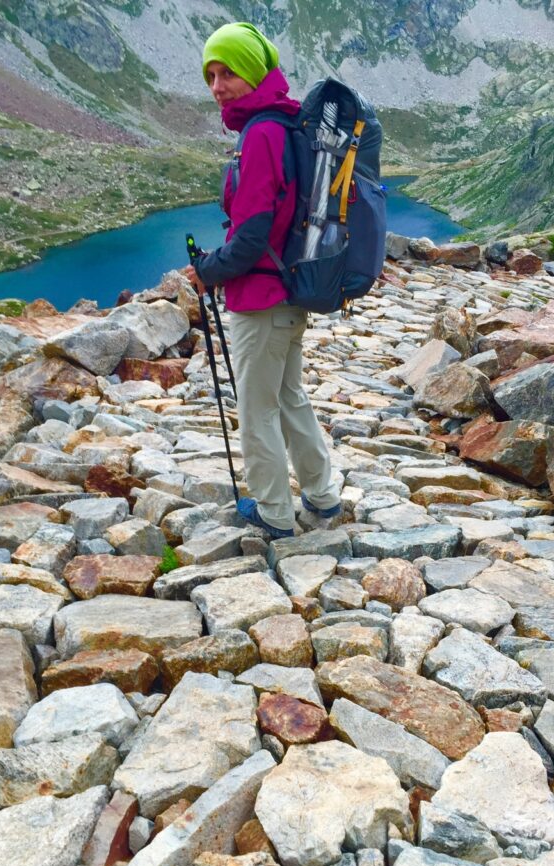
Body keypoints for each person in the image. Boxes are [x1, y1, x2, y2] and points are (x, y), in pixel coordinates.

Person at [183, 22, 340, 539]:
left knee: (257, 409)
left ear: (253, 71)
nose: (217, 86)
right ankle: (322, 496)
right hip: (291, 291)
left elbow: (250, 237)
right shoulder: (287, 124)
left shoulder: (261, 134)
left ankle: (273, 511)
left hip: (262, 298)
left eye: (227, 72)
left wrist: (208, 268)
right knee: (289, 397)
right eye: (210, 74)